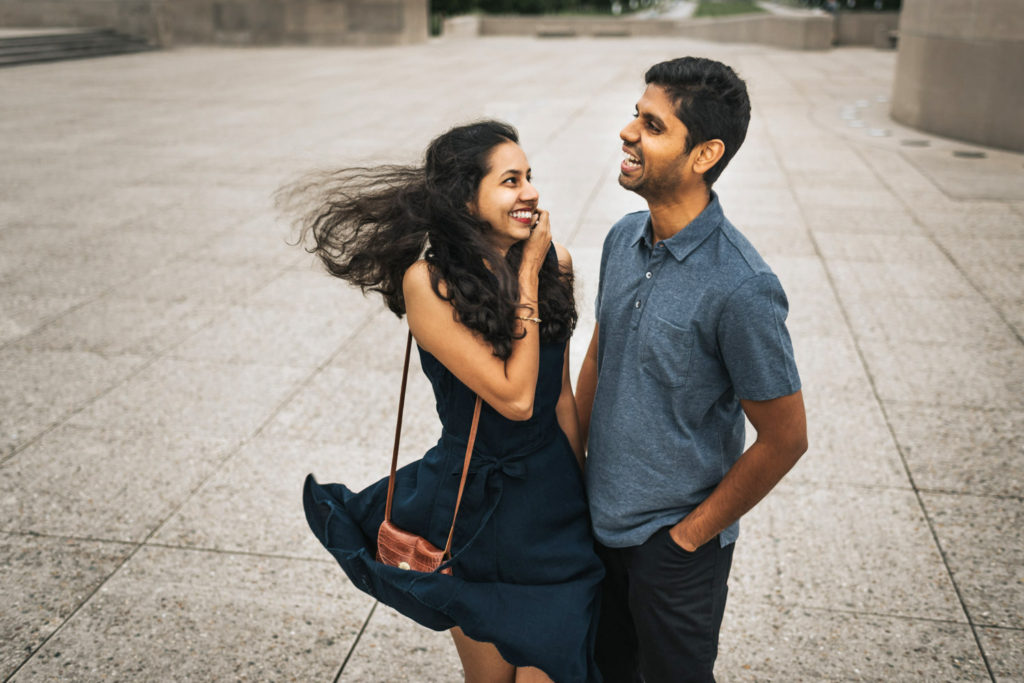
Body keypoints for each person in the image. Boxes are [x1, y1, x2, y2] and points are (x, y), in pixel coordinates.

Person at [283, 120, 604, 683]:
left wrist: (581, 494)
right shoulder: (429, 284)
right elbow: (515, 397)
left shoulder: (560, 262)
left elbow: (559, 399)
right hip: (476, 505)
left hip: (552, 507)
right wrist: (526, 276)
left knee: (557, 665)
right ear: (464, 198)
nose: (529, 191)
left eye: (530, 177)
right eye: (510, 181)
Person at [575, 57, 808, 682]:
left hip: (674, 549)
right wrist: (574, 465)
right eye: (635, 114)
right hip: (595, 523)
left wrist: (688, 538)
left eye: (652, 125)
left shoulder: (743, 286)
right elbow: (602, 352)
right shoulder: (623, 238)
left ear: (704, 155)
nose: (627, 132)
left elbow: (787, 438)